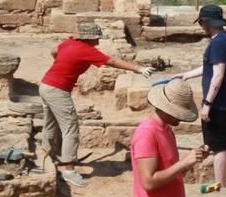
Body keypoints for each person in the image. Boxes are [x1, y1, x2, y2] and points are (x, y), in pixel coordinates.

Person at [37, 23, 149, 186]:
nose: (97, 41)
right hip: (58, 90)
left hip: (45, 85)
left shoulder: (68, 43)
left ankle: (46, 154)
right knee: (70, 128)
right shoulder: (86, 50)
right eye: (96, 38)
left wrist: (65, 66)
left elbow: (53, 51)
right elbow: (112, 61)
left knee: (50, 122)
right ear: (91, 38)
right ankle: (69, 170)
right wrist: (138, 68)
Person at [177, 3, 226, 192]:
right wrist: (188, 74)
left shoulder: (217, 43)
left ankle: (218, 185)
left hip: (218, 104)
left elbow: (218, 74)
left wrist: (207, 104)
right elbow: (212, 67)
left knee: (218, 147)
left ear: (205, 22)